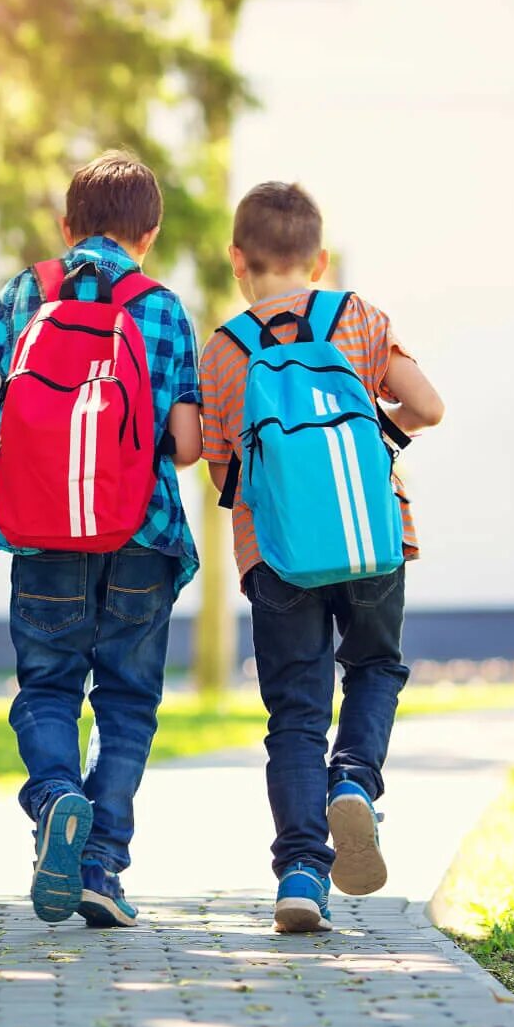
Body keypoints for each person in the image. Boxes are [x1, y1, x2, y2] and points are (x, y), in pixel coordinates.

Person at [0, 150, 202, 928]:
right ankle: (102, 862)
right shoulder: (163, 307)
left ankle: (54, 798)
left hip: (43, 531)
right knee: (128, 701)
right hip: (142, 531)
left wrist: (29, 426)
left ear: (66, 226)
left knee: (47, 688)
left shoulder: (26, 291)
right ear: (152, 233)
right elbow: (191, 441)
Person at [199, 181, 445, 933]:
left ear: (238, 259)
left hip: (277, 553)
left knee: (296, 712)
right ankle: (357, 782)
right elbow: (428, 406)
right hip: (373, 538)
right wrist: (380, 434)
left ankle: (302, 872)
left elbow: (219, 469)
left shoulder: (225, 350)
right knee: (374, 668)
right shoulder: (359, 318)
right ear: (321, 257)